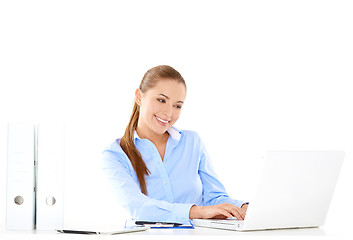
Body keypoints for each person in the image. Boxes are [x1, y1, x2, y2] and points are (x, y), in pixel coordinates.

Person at [101, 65, 248, 224]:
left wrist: (244, 208)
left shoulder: (192, 142)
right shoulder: (115, 154)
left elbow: (216, 198)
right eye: (161, 100)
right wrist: (197, 211)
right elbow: (138, 207)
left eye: (177, 105)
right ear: (139, 97)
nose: (169, 113)